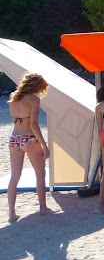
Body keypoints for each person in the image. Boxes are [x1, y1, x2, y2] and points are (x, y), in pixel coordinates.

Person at [7, 73, 58, 222]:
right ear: (37, 86)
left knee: (14, 176)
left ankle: (11, 214)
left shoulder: (13, 96)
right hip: (29, 139)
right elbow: (34, 125)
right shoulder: (33, 99)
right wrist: (44, 144)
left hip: (14, 139)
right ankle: (43, 208)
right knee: (40, 173)